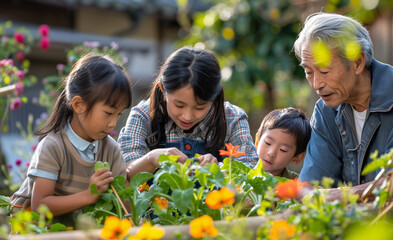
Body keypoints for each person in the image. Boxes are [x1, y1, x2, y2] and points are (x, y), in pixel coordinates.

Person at [293, 12, 393, 198]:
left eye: (324, 71)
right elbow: (309, 186)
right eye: (309, 72)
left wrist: (329, 197)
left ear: (357, 62)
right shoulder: (325, 111)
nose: (316, 84)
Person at [10, 53, 132, 224]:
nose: (113, 123)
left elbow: (125, 204)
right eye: (108, 113)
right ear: (78, 105)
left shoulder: (111, 151)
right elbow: (39, 206)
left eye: (119, 114)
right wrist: (88, 196)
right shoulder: (53, 146)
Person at [119, 46, 259, 179]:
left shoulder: (232, 119)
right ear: (163, 90)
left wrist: (220, 169)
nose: (187, 116)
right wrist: (151, 159)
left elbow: (250, 172)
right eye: (179, 105)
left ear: (213, 98)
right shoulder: (143, 116)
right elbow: (124, 175)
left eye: (199, 107)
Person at [255, 107, 311, 178]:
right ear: (257, 141)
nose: (271, 153)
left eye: (283, 149)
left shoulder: (296, 184)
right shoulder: (240, 174)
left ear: (297, 158)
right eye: (268, 143)